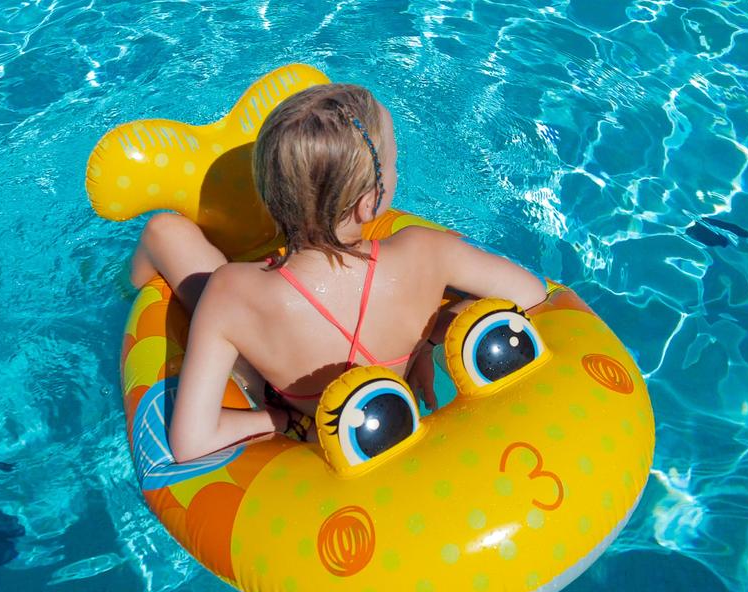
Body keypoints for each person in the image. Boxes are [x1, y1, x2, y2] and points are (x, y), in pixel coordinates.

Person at [130, 84, 546, 463]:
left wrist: (285, 421)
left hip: (292, 402)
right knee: (167, 233)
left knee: (163, 232)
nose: (397, 171)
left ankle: (124, 291)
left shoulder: (233, 293)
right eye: (394, 164)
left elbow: (192, 442)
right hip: (389, 398)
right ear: (369, 204)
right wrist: (430, 335)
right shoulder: (427, 253)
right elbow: (531, 293)